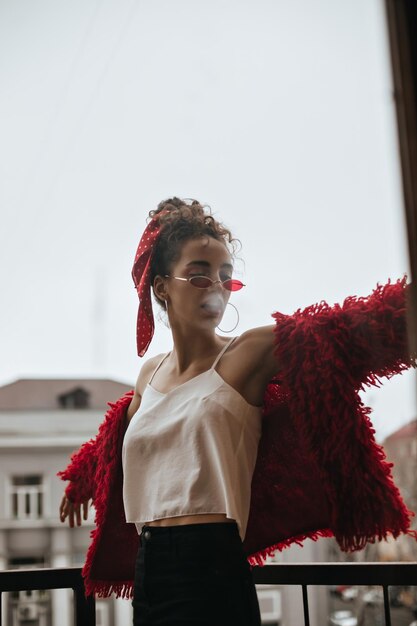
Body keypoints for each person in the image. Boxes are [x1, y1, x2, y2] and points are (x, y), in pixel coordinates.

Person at [58, 197, 416, 626]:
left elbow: (351, 329)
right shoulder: (148, 374)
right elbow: (116, 440)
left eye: (226, 276)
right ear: (161, 288)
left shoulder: (246, 355)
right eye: (199, 274)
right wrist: (81, 478)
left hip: (212, 569)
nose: (216, 286)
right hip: (148, 569)